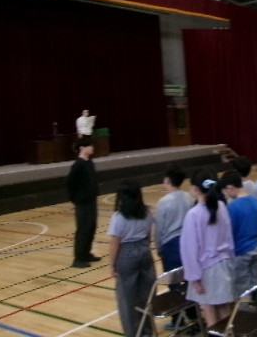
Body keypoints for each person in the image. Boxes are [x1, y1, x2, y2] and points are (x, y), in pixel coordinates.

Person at [180, 170, 235, 327]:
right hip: (224, 264)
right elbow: (229, 237)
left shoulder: (194, 214)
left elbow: (189, 249)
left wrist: (194, 277)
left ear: (195, 189)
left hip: (206, 270)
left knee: (210, 312)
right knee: (224, 309)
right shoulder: (221, 206)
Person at [108, 181, 156, 337]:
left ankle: (133, 333)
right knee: (146, 295)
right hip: (144, 251)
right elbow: (149, 236)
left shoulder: (118, 217)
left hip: (127, 254)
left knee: (127, 299)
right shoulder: (146, 213)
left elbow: (115, 243)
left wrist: (111, 265)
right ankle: (147, 331)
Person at [154, 164, 194, 330]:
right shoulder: (188, 197)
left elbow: (159, 229)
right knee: (189, 281)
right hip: (188, 243)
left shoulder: (163, 202)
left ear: (168, 180)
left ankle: (178, 320)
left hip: (171, 246)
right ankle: (193, 315)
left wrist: (158, 248)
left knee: (174, 284)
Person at [219, 170, 257, 298]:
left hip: (241, 252)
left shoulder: (233, 207)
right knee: (255, 283)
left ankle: (246, 309)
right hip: (256, 248)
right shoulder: (255, 200)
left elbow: (230, 233)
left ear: (230, 188)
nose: (226, 194)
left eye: (226, 191)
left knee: (242, 290)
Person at [66, 136, 100, 268]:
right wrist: (75, 199)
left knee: (91, 227)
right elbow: (70, 183)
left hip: (91, 200)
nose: (92, 148)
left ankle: (86, 253)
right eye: (89, 145)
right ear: (82, 148)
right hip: (83, 202)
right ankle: (78, 258)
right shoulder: (78, 165)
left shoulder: (89, 162)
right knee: (83, 229)